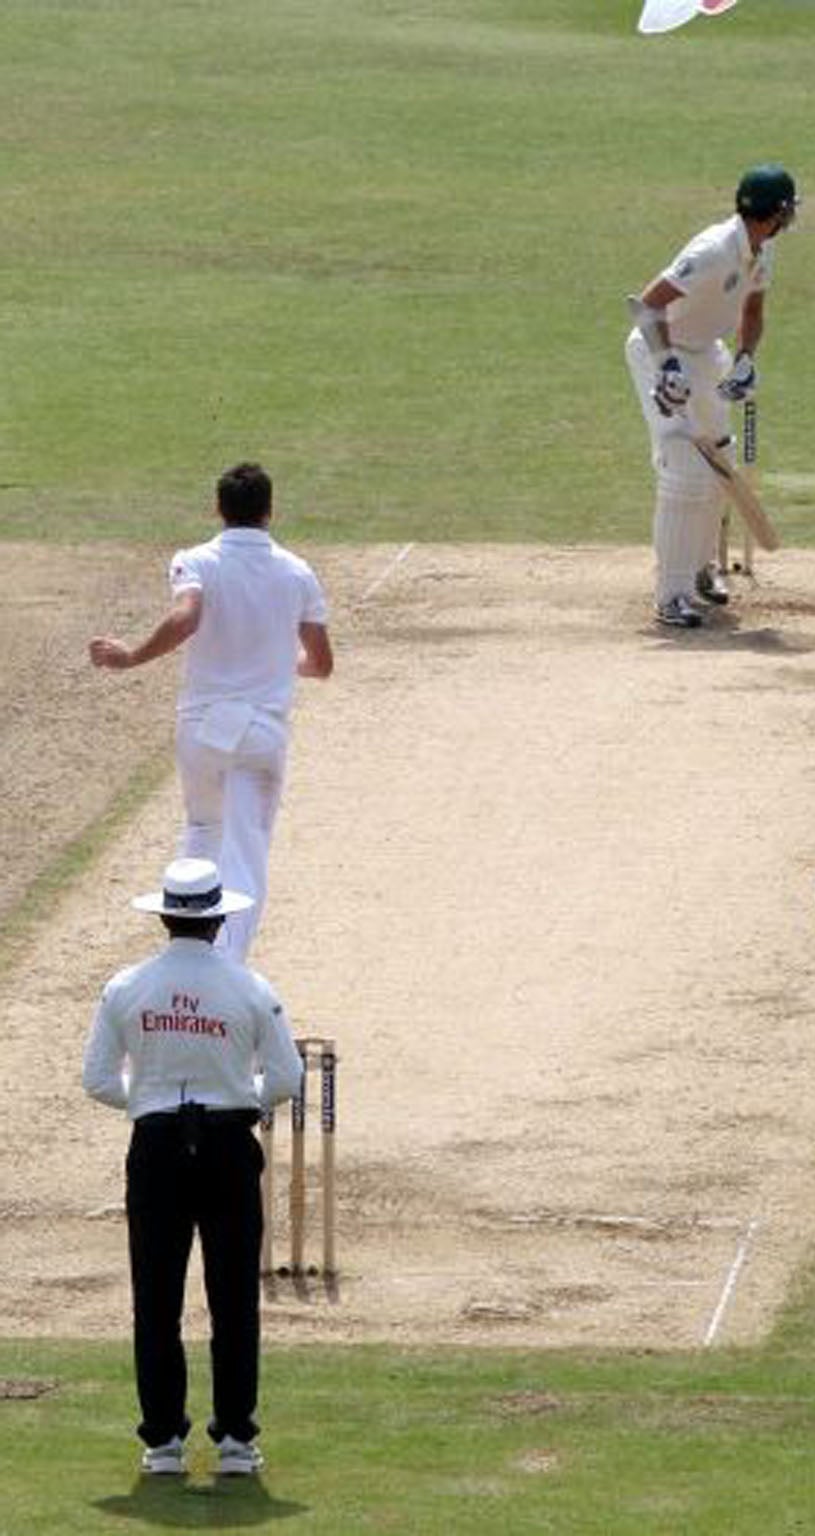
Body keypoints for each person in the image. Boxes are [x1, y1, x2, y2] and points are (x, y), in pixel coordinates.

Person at [82, 857, 306, 1478]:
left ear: (163, 918)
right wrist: (239, 1098)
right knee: (234, 1300)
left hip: (155, 1150)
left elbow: (97, 1080)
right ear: (217, 922)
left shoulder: (127, 987)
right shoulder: (249, 987)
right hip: (229, 1148)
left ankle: (162, 1445)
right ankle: (236, 1441)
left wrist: (154, 1102)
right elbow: (287, 1077)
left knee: (156, 1299)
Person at [87, 463, 334, 962]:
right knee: (246, 852)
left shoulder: (195, 560)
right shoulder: (297, 570)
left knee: (202, 831)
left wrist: (133, 655)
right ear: (270, 510)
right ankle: (223, 970)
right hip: (261, 733)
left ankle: (182, 957)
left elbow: (188, 615)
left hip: (202, 731)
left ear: (219, 509)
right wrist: (278, 664)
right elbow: (321, 663)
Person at [623, 163, 799, 629]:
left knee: (719, 461)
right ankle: (671, 593)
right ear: (778, 212)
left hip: (705, 353)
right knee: (683, 464)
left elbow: (754, 308)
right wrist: (667, 368)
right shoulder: (713, 250)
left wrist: (746, 357)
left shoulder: (762, 250)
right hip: (660, 352)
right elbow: (647, 305)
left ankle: (701, 570)